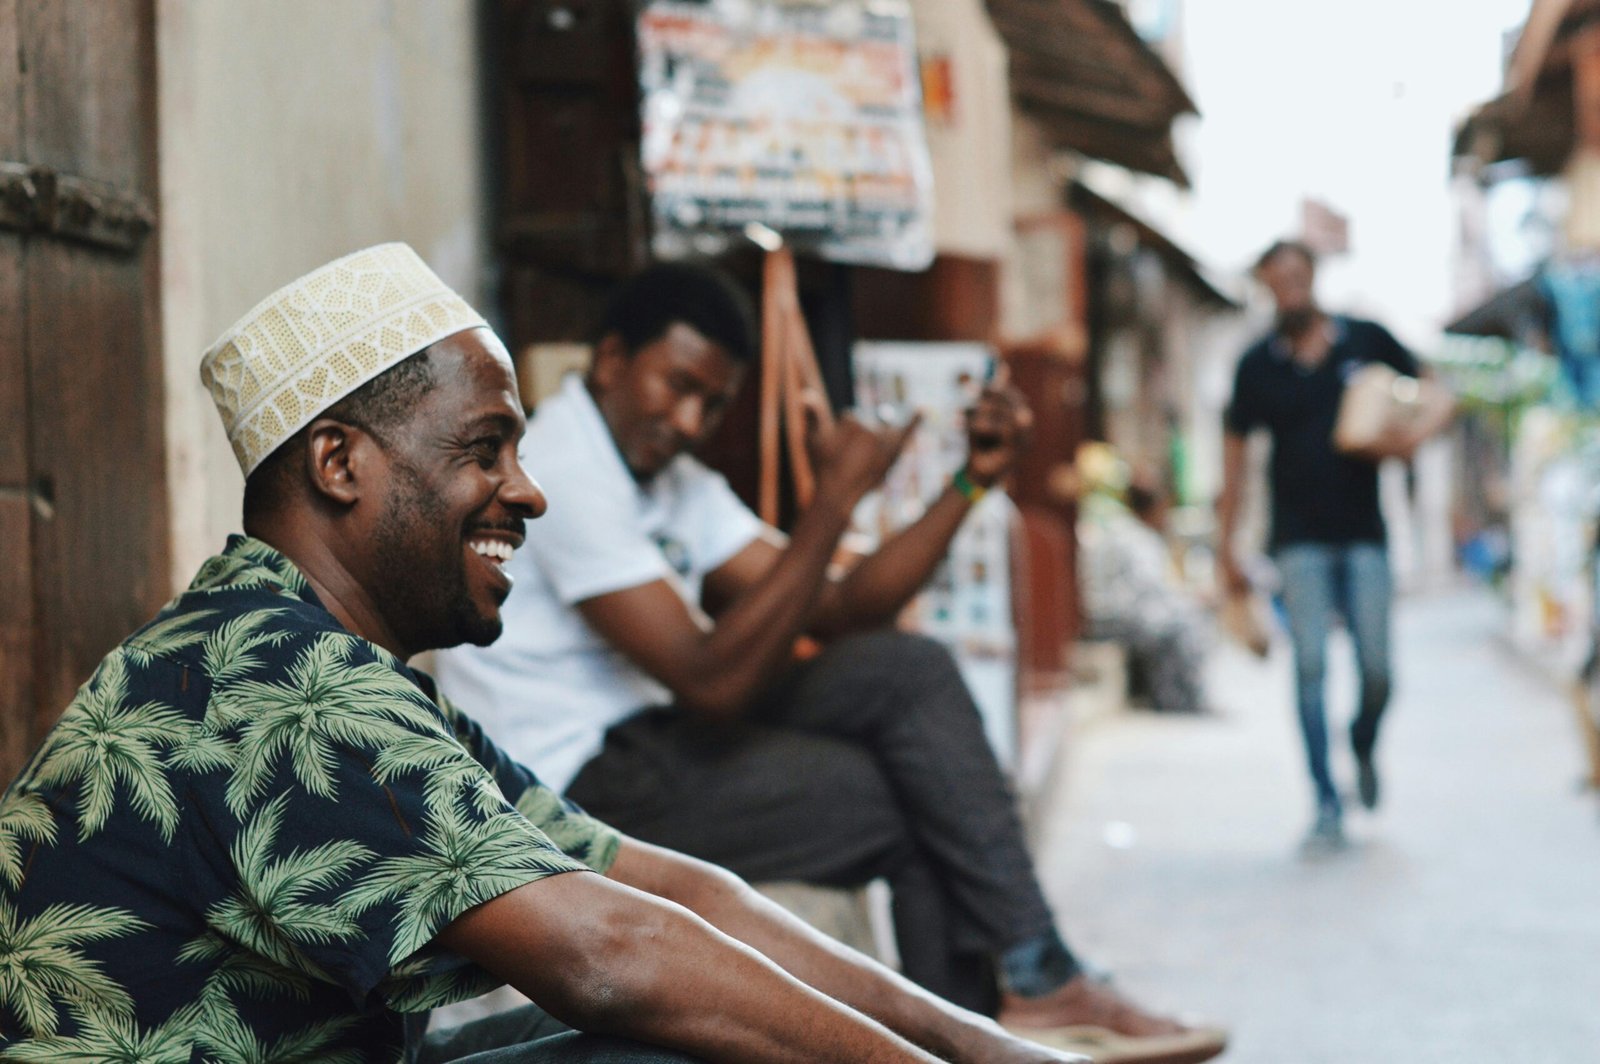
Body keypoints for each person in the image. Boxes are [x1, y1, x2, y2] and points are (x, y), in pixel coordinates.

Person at [0, 243, 1100, 1064]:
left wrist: (985, 1052)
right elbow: (610, 950)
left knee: (713, 1016)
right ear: (339, 464)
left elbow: (677, 892)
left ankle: (1018, 1009)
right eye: (485, 449)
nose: (526, 492)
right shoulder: (277, 684)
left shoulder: (336, 667)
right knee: (687, 1032)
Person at [434, 262, 1227, 1064]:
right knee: (895, 801)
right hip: (575, 778)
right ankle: (987, 1021)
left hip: (656, 735)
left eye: (712, 401)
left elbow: (843, 607)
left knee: (905, 670)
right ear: (611, 360)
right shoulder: (566, 466)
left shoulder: (675, 483)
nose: (689, 418)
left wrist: (968, 483)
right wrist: (834, 501)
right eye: (676, 385)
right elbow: (711, 682)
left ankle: (1027, 981)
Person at [1216, 239, 1427, 852]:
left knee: (1378, 670)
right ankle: (1325, 799)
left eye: (1296, 276)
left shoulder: (1366, 341)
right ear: (1265, 287)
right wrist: (1226, 548)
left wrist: (1405, 441)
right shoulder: (1256, 366)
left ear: (1313, 277)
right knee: (1309, 666)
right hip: (1296, 540)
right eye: (1275, 280)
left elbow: (1432, 392)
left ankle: (1361, 743)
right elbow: (1234, 461)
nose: (1288, 289)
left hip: (1365, 535)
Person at [1076, 446, 1212, 716]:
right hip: (1114, 613)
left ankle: (1178, 696)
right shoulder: (1136, 537)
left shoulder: (1124, 529)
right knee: (1184, 623)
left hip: (1109, 608)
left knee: (1181, 617)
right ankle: (1178, 699)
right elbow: (1150, 587)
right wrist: (1191, 600)